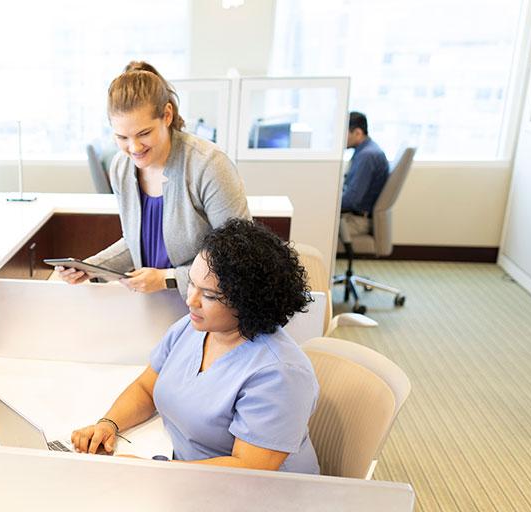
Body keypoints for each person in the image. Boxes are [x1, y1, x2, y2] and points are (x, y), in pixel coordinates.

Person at [71, 218, 320, 474]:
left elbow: (249, 469)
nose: (191, 300)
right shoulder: (193, 328)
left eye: (209, 295)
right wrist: (108, 424)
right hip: (190, 476)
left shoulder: (279, 374)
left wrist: (154, 472)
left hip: (260, 497)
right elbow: (147, 388)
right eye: (191, 283)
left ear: (249, 301)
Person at [56, 61, 250, 298]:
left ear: (167, 115)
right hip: (151, 302)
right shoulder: (121, 167)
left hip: (205, 303)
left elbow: (240, 257)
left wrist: (166, 278)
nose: (134, 147)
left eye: (144, 133)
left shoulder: (209, 165)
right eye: (122, 137)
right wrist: (91, 268)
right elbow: (136, 242)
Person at [342, 111, 389, 216]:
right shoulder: (365, 150)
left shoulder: (367, 156)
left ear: (358, 133)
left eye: (344, 133)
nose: (341, 139)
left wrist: (328, 203)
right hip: (356, 214)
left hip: (356, 219)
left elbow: (351, 200)